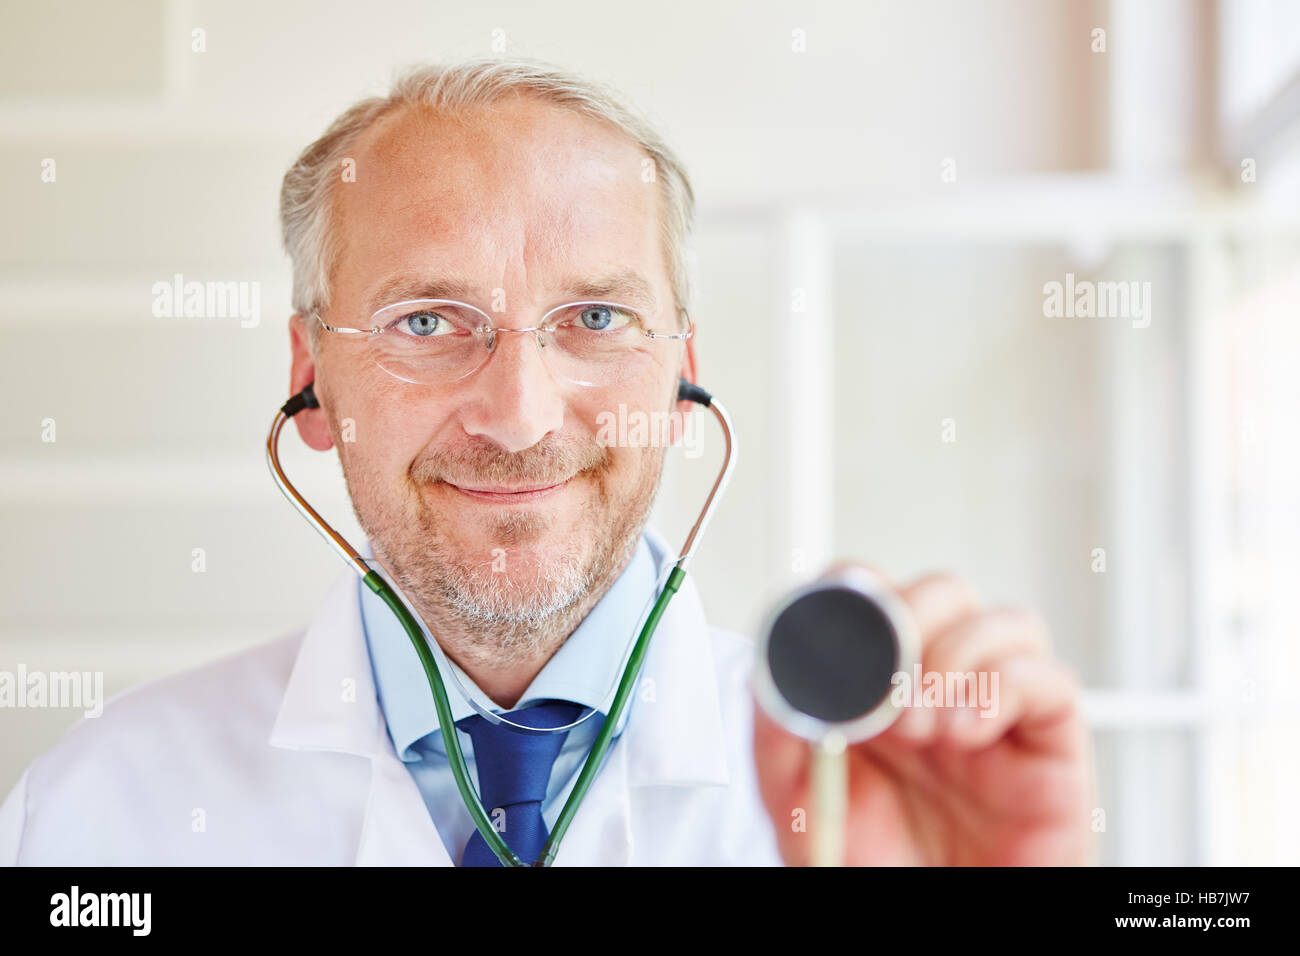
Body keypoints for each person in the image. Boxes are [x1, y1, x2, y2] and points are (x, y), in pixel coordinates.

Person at [0, 56, 1095, 866]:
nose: (518, 416)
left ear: (681, 373)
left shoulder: (884, 799)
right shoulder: (100, 814)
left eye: (596, 317)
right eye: (428, 321)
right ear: (312, 376)